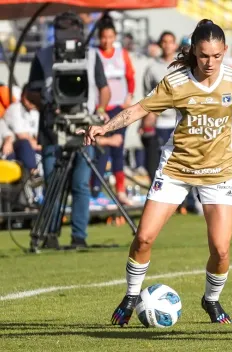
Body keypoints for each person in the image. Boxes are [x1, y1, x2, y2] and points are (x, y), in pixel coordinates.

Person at [78, 19, 232, 326]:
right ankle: (131, 295)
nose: (210, 62)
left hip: (218, 172)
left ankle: (211, 300)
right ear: (194, 52)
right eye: (203, 56)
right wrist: (104, 127)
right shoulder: (177, 82)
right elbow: (139, 109)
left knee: (221, 250)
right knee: (143, 238)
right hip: (175, 169)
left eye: (216, 56)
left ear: (224, 51)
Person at [28, 11, 110, 248]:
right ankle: (50, 235)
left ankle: (79, 237)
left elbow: (103, 89)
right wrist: (46, 103)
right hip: (53, 128)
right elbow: (30, 91)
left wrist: (102, 108)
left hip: (84, 126)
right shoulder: (42, 56)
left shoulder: (92, 56)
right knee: (53, 181)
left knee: (81, 183)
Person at [90, 16, 135, 206]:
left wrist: (129, 97)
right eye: (103, 37)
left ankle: (120, 190)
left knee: (118, 148)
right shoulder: (94, 55)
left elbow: (130, 77)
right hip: (101, 109)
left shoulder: (121, 54)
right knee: (101, 149)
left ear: (114, 36)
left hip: (119, 108)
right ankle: (95, 190)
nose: (106, 41)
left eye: (110, 36)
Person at [142, 31, 178, 178]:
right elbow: (147, 94)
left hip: (179, 119)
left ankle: (187, 200)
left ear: (175, 45)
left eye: (170, 42)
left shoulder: (183, 66)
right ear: (160, 44)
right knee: (158, 163)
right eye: (164, 41)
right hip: (160, 121)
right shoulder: (152, 68)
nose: (167, 45)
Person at [3, 83, 41, 175]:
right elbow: (22, 136)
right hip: (15, 147)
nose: (30, 102)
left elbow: (37, 137)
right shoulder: (15, 109)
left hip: (32, 147)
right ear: (23, 96)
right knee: (25, 144)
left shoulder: (35, 113)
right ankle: (33, 172)